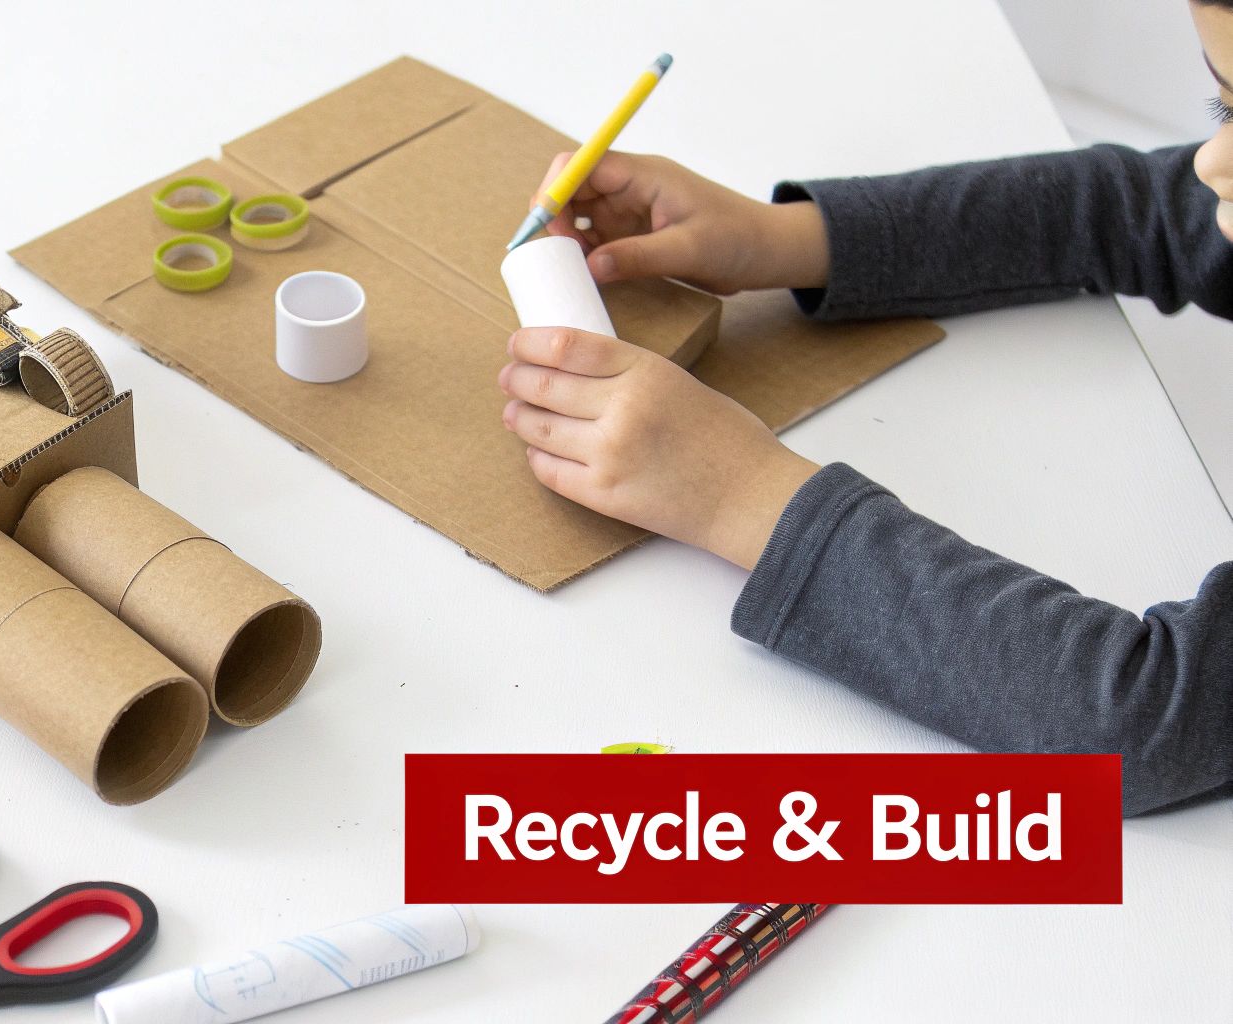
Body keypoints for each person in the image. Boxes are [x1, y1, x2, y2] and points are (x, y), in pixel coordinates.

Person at [499, 1, 1233, 816]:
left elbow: (1142, 720)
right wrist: (792, 239)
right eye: (1224, 105)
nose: (1213, 165)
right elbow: (1140, 208)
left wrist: (739, 495)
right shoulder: (1216, 181)